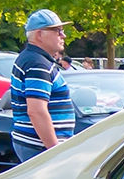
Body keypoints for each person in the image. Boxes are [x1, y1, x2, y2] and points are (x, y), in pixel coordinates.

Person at [10, 9, 76, 162]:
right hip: (39, 147)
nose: (63, 35)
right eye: (57, 31)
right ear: (39, 35)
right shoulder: (37, 64)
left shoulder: (33, 59)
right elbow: (36, 111)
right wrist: (55, 152)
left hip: (34, 145)